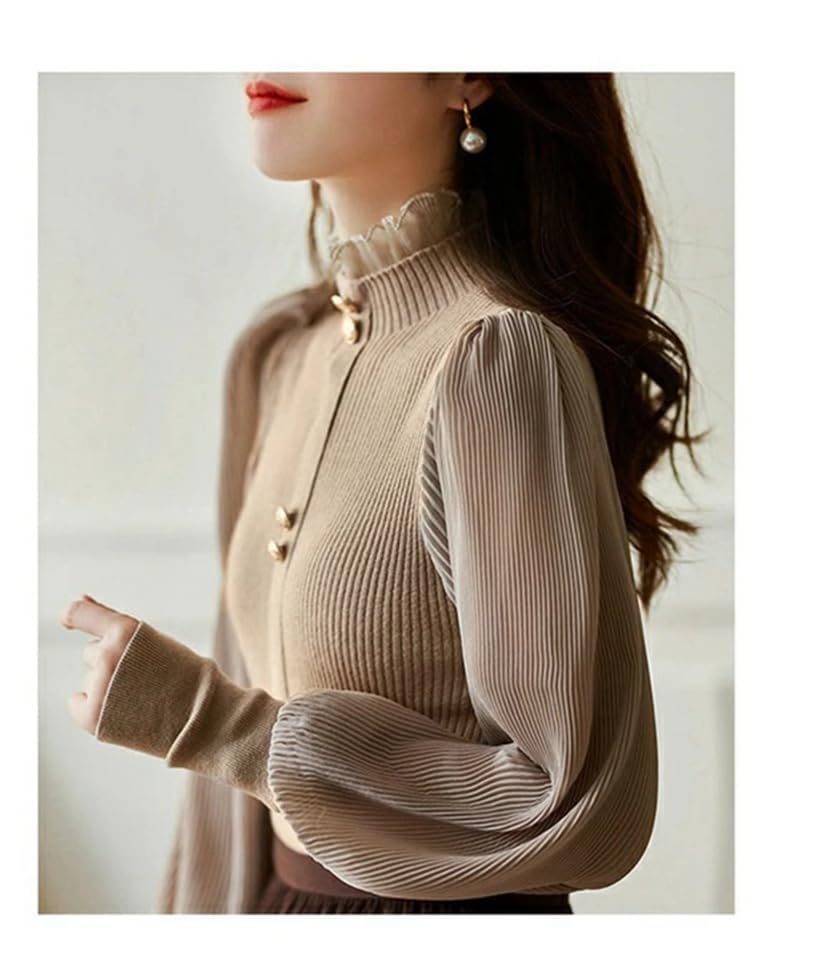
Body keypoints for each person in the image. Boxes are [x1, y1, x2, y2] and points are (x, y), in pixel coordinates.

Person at [61, 72, 705, 914]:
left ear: (470, 74)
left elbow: (579, 809)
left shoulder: (495, 361)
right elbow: (228, 820)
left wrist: (214, 726)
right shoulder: (276, 357)